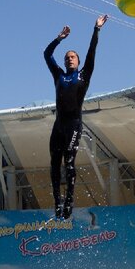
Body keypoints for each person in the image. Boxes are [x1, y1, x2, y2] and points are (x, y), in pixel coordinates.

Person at [44, 14, 108, 220]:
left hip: (73, 125)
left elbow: (92, 52)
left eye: (72, 57)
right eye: (66, 57)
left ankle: (69, 201)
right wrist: (59, 38)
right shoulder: (59, 76)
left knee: (69, 162)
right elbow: (46, 54)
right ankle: (57, 202)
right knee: (54, 163)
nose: (68, 58)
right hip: (59, 125)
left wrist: (96, 29)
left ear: (78, 61)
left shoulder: (84, 75)